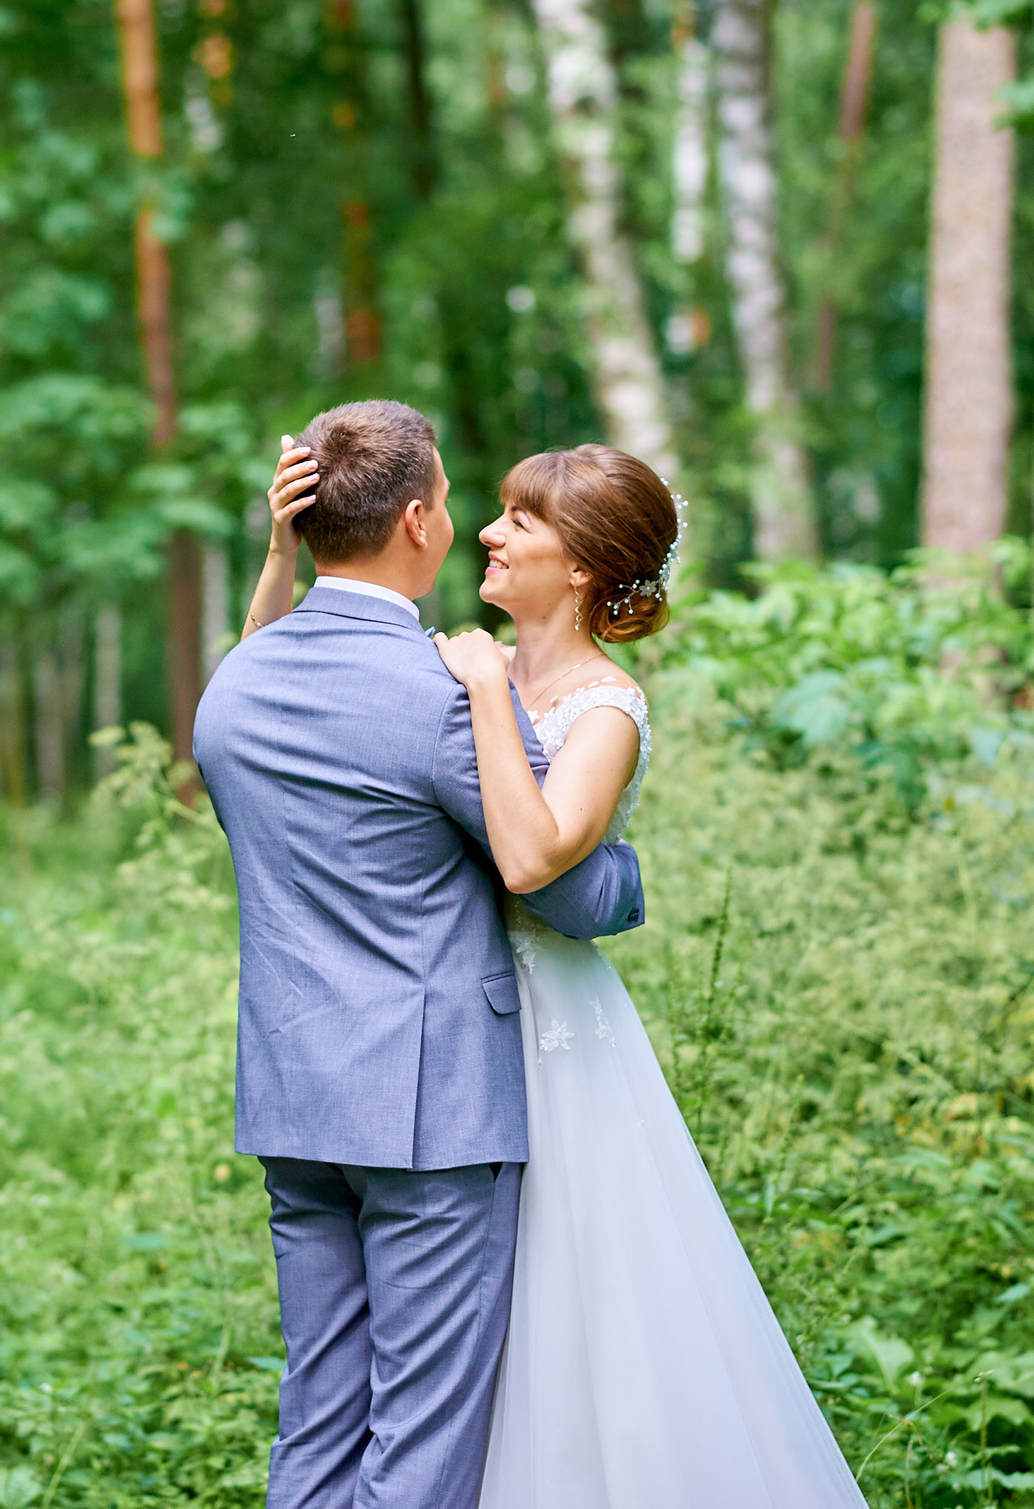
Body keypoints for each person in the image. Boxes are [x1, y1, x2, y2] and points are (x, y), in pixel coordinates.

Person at [193, 401, 646, 1509]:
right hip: (429, 1115)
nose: (466, 521)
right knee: (419, 1445)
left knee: (317, 1420)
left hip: (294, 1099)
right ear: (417, 523)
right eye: (453, 499)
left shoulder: (233, 690)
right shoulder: (443, 696)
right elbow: (560, 882)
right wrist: (626, 878)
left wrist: (274, 554)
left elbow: (271, 663)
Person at [429, 443, 870, 1509]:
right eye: (495, 513)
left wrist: (485, 688)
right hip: (449, 1012)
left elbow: (536, 857)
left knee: (583, 1295)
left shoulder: (604, 708)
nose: (490, 533)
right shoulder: (467, 660)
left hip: (551, 1025)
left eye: (520, 523)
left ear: (579, 566)